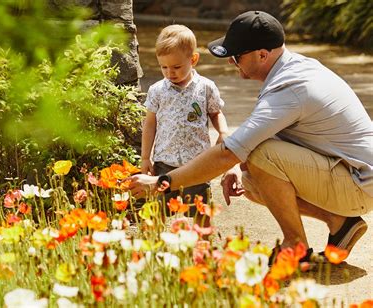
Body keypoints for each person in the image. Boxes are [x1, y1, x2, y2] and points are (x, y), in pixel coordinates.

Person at [130, 11, 373, 260]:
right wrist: (236, 165)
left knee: (258, 155)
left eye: (237, 56)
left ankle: (295, 246)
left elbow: (229, 152)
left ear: (262, 55)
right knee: (249, 181)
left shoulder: (288, 90)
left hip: (357, 182)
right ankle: (340, 221)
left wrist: (163, 182)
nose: (231, 63)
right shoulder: (296, 67)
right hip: (352, 172)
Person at [140, 24, 229, 227]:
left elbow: (216, 113)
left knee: (201, 211)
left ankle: (202, 247)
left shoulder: (206, 87)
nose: (170, 73)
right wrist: (146, 157)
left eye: (177, 67)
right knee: (157, 210)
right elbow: (150, 124)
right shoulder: (157, 91)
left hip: (198, 164)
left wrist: (223, 131)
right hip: (165, 162)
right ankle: (154, 248)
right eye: (164, 67)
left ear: (193, 59)